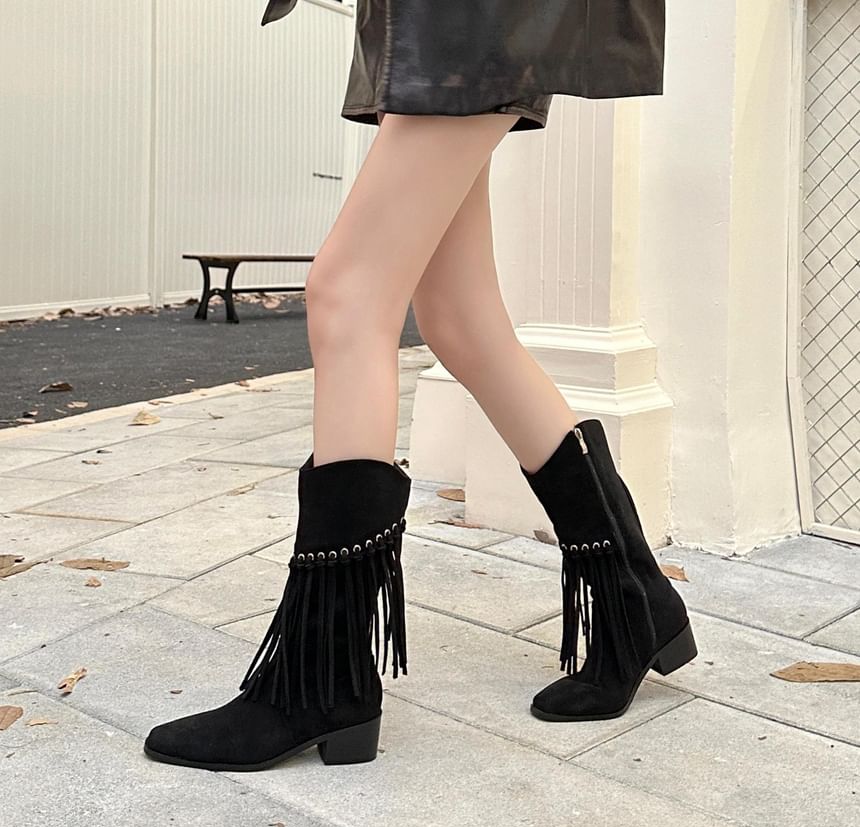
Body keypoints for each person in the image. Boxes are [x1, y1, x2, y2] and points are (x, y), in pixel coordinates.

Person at [143, 0, 695, 771]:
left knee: (346, 293)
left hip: (471, 18)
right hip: (444, 25)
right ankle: (635, 597)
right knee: (462, 320)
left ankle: (322, 674)